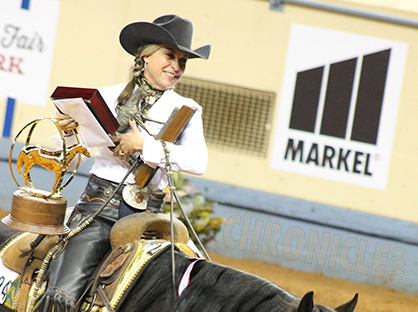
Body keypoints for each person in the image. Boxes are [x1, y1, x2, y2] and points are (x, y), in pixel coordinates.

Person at [36, 14, 211, 312]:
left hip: (151, 219)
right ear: (144, 55)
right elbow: (74, 152)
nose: (176, 67)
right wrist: (67, 133)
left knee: (200, 288)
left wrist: (145, 145)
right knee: (62, 295)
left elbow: (198, 162)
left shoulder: (187, 111)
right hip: (100, 210)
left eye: (183, 61)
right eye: (170, 55)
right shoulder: (104, 97)